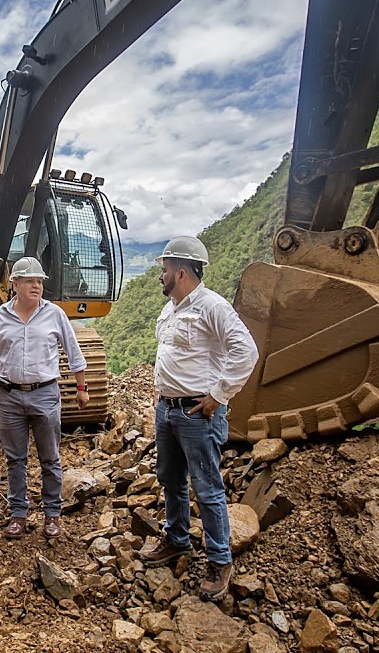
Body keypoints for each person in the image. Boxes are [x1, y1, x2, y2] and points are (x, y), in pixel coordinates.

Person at [141, 235, 257, 601]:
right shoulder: (172, 308)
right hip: (169, 410)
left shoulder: (213, 307)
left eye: (164, 270)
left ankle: (220, 561)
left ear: (180, 271)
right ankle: (176, 539)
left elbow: (246, 351)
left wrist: (218, 396)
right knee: (170, 478)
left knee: (207, 488)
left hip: (197, 413)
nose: (160, 276)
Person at [0, 257, 89, 540]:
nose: (37, 285)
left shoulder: (55, 315)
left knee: (50, 457)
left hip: (45, 394)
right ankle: (18, 514)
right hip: (9, 396)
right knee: (15, 459)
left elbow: (74, 354)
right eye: (30, 281)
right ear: (15, 284)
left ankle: (52, 515)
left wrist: (81, 387)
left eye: (39, 281)